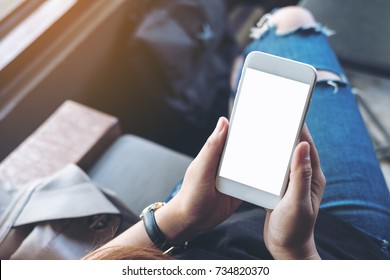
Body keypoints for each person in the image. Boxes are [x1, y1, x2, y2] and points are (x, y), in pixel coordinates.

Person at [84, 6, 390, 260]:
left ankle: (237, 85)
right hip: (334, 244)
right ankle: (237, 81)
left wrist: (181, 214)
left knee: (272, 57)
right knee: (290, 23)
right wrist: (294, 250)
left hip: (196, 226)